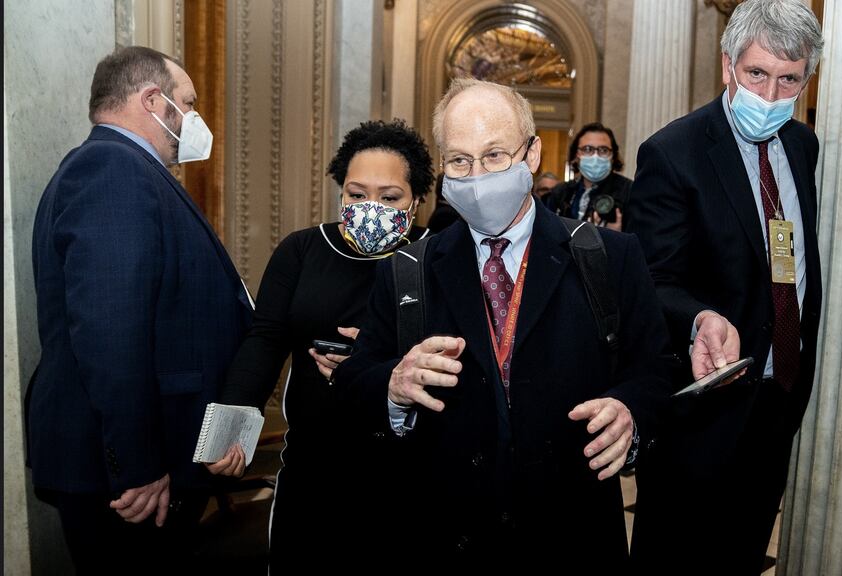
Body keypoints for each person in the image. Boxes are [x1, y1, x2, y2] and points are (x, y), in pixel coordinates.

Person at [335, 78, 672, 568]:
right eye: (459, 161)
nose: (477, 176)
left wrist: (631, 412)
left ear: (532, 154)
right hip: (447, 535)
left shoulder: (609, 258)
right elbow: (351, 382)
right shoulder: (409, 269)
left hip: (571, 535)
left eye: (494, 155)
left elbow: (657, 370)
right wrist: (392, 384)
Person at [27, 46, 253, 573]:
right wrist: (139, 466)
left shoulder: (127, 171)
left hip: (147, 456)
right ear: (153, 101)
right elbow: (110, 333)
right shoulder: (111, 170)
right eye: (189, 103)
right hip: (130, 476)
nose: (196, 118)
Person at [627, 0, 825, 573]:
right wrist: (698, 318)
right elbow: (653, 280)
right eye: (757, 73)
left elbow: (789, 260)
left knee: (742, 554)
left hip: (778, 396)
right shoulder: (674, 152)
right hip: (704, 406)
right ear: (727, 66)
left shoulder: (801, 146)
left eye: (789, 79)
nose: (770, 95)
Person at [205, 119, 433, 571]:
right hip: (314, 461)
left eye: (389, 198)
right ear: (340, 191)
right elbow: (265, 339)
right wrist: (230, 428)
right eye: (356, 193)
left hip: (407, 466)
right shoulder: (303, 249)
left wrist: (377, 352)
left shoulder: (435, 255)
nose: (371, 208)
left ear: (417, 200)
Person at [549, 122, 631, 230]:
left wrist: (616, 236)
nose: (595, 156)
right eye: (587, 149)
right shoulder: (561, 192)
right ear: (576, 155)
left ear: (613, 156)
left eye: (603, 150)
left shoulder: (629, 192)